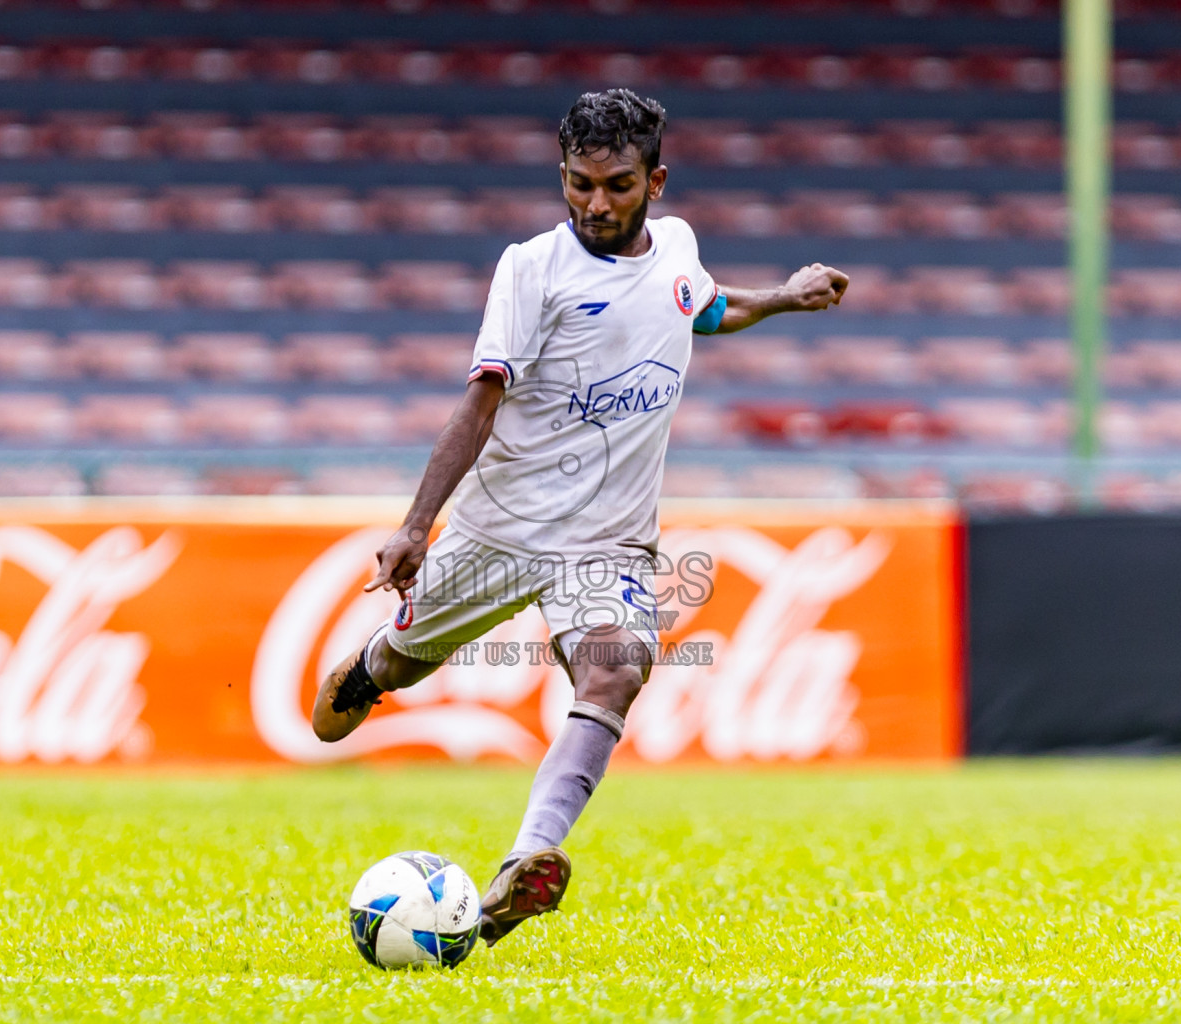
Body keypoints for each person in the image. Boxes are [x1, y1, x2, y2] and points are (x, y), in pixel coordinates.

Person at [312, 88, 849, 947]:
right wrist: (416, 525)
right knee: (385, 681)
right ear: (562, 177)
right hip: (500, 530)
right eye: (580, 183)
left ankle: (524, 864)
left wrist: (784, 296)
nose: (596, 204)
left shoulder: (676, 250)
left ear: (657, 182)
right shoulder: (531, 270)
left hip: (608, 543)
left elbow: (704, 307)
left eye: (617, 185)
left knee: (614, 671)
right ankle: (381, 661)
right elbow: (480, 402)